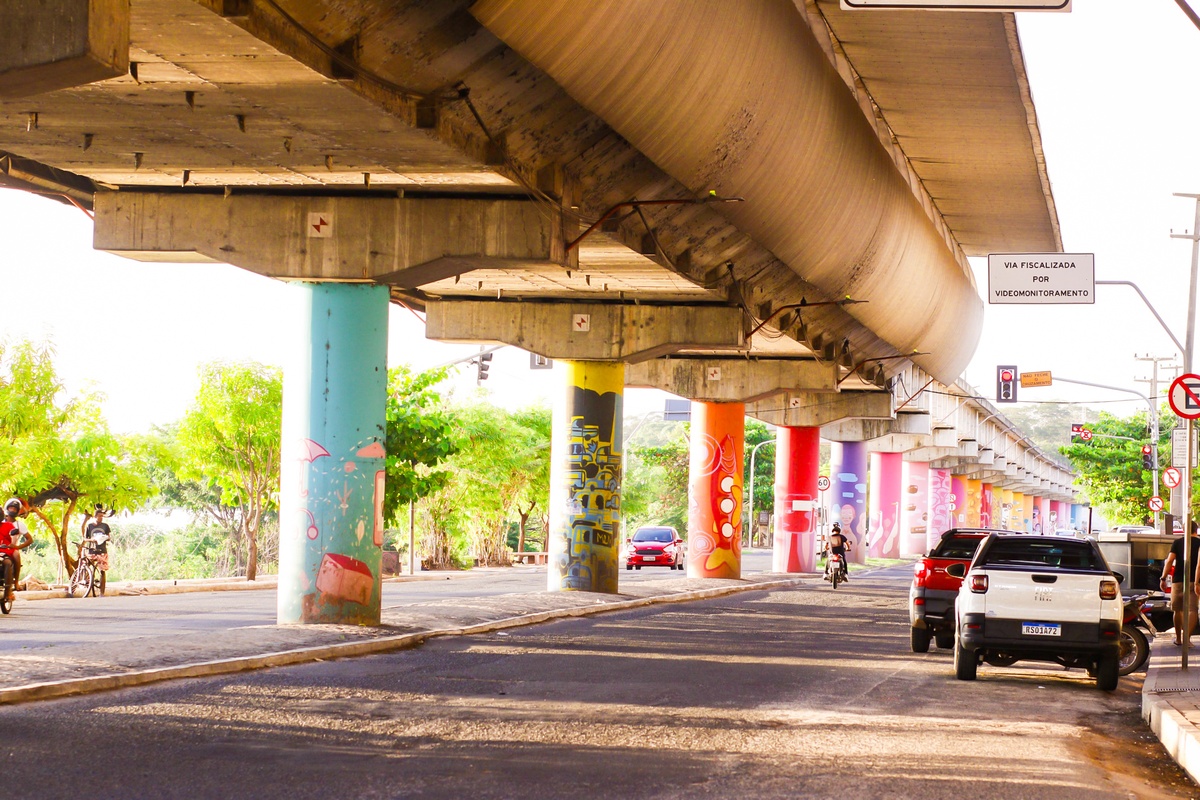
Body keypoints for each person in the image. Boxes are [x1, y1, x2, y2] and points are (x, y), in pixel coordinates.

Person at [1162, 520, 1200, 646]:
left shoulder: (1178, 543)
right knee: (1192, 610)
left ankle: (1178, 638)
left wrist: (1163, 578)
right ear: (1196, 529)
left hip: (1178, 580)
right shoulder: (1199, 543)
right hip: (1195, 581)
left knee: (1177, 610)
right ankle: (1187, 639)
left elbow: (1169, 561)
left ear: (1184, 530)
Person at [2, 499, 32, 599]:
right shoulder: (1, 521)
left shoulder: (19, 525)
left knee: (16, 555)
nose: (12, 510)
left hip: (11, 547)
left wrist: (17, 547)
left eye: (15, 509)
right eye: (11, 508)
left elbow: (29, 539)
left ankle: (15, 582)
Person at [81, 506, 112, 597]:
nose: (101, 518)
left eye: (102, 516)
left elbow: (109, 537)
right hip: (92, 550)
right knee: (86, 564)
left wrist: (105, 538)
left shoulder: (105, 526)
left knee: (102, 571)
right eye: (99, 516)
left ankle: (102, 592)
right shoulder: (89, 526)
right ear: (95, 517)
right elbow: (85, 538)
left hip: (102, 550)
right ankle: (87, 579)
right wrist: (92, 540)